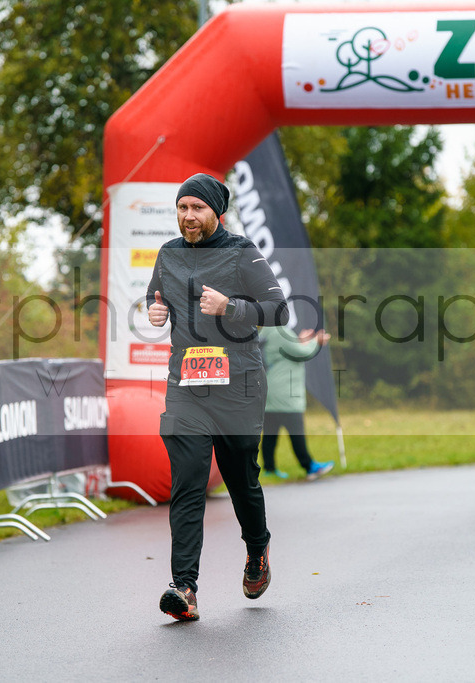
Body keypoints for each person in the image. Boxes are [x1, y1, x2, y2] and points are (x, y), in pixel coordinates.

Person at [147, 173, 288, 621]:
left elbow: (279, 310)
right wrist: (154, 310)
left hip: (239, 386)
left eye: (197, 208)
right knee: (188, 482)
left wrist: (231, 307)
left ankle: (257, 548)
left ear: (217, 212)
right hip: (187, 386)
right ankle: (184, 588)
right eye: (182, 207)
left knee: (240, 479)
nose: (188, 216)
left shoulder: (242, 252)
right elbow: (155, 296)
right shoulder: (168, 254)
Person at [258, 325, 334, 480]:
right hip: (285, 392)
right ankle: (309, 466)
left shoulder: (266, 330)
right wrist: (316, 341)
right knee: (296, 431)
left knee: (270, 433)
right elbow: (302, 353)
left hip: (270, 390)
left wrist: (301, 340)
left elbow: (286, 349)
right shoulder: (280, 331)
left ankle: (269, 469)